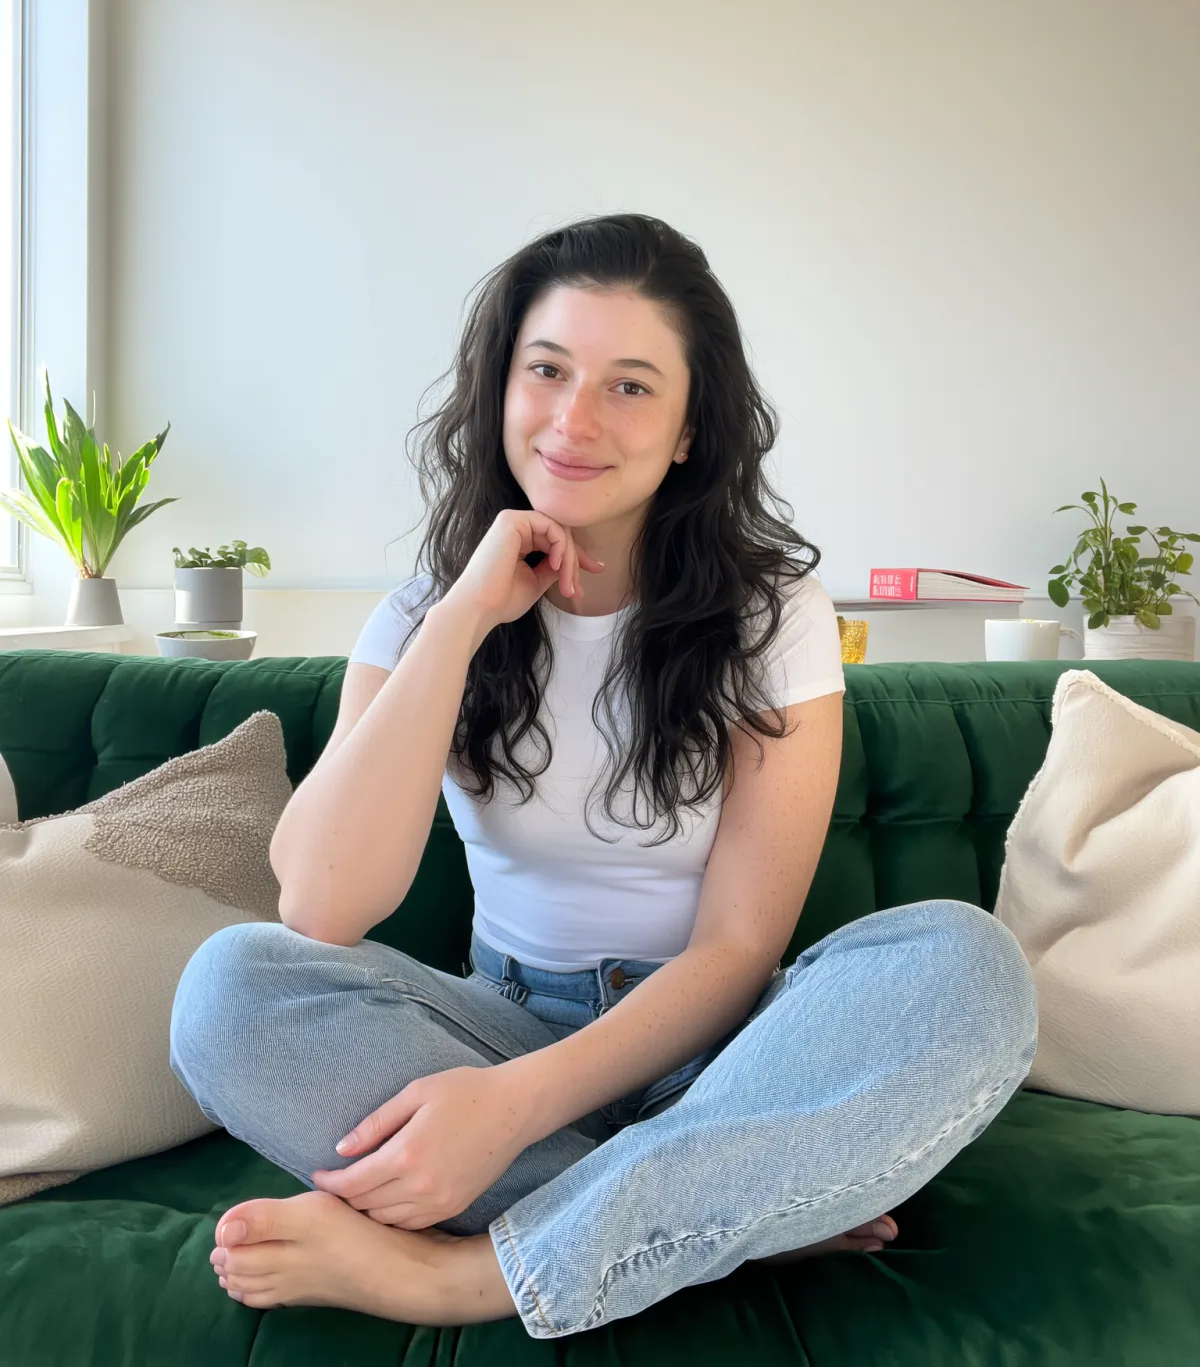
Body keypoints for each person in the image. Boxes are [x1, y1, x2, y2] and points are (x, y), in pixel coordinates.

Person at [169, 213, 1038, 1339]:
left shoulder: (774, 616)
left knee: (968, 965)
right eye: (547, 370)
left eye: (630, 386)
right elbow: (322, 903)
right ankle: (729, 1206)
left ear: (687, 430)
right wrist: (466, 613)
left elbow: (738, 951)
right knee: (229, 990)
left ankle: (475, 1273)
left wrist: (513, 1111)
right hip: (501, 1018)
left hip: (723, 1054)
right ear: (501, 388)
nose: (575, 418)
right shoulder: (423, 615)